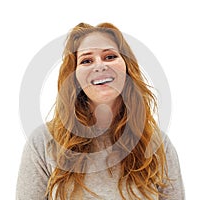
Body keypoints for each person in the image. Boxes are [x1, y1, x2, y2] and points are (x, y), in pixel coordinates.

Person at [16, 22, 185, 200]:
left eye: (110, 56)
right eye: (86, 60)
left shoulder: (157, 144)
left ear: (127, 68)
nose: (99, 66)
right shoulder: (43, 142)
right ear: (74, 77)